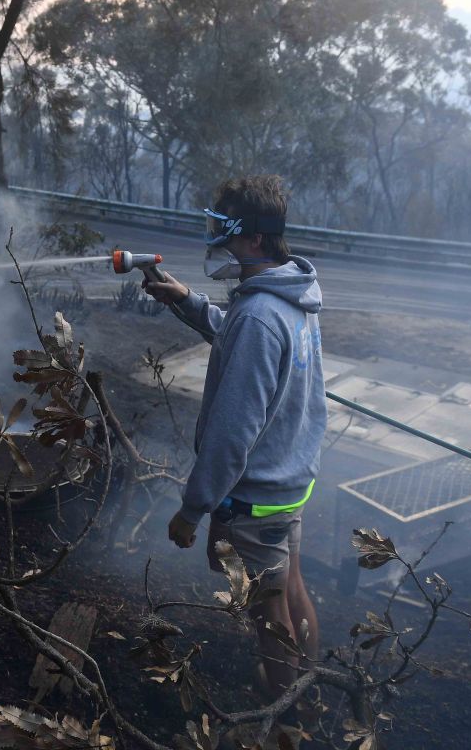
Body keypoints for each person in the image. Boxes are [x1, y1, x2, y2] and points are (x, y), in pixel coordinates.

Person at [142, 174, 325, 713]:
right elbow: (246, 337)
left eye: (224, 227)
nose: (215, 236)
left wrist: (192, 510)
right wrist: (189, 302)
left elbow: (230, 433)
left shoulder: (258, 316)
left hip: (257, 492)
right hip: (290, 480)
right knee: (291, 586)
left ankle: (285, 705)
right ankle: (308, 684)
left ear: (253, 240)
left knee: (269, 611)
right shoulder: (288, 294)